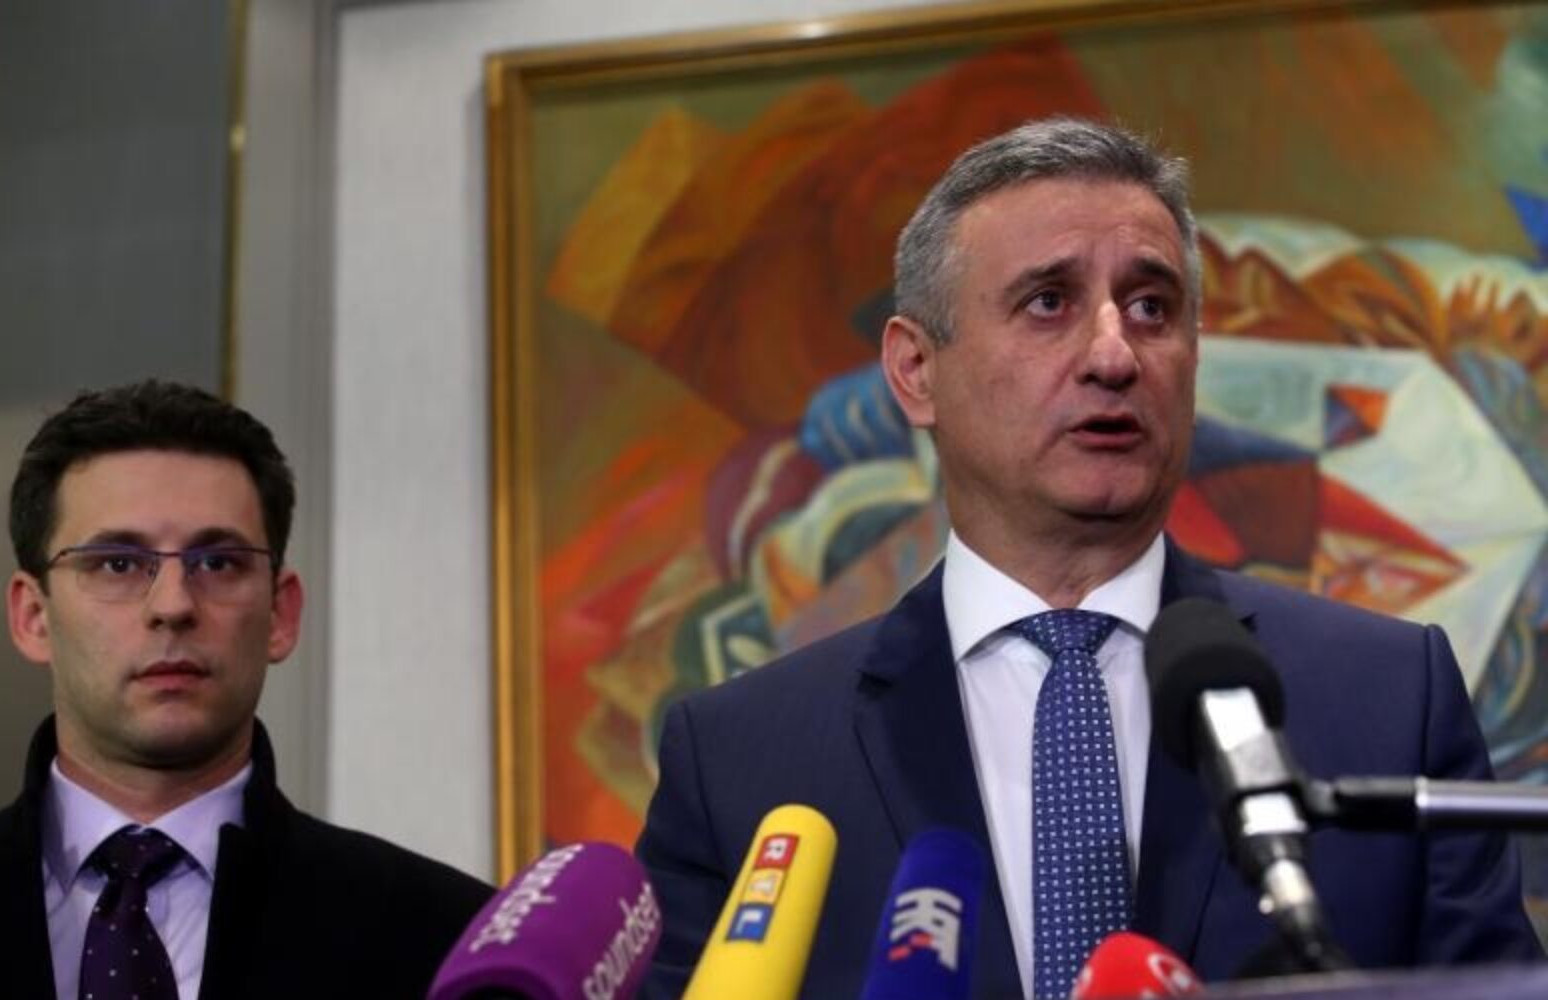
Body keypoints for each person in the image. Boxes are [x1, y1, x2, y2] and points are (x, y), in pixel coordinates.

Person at [635, 118, 1542, 999]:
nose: (1114, 355)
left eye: (1152, 308)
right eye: (1048, 302)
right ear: (915, 371)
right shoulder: (741, 760)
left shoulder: (1391, 698)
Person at [0, 380, 492, 999]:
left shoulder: (450, 943)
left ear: (281, 615)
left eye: (217, 563)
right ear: (33, 617)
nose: (173, 605)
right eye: (118, 563)